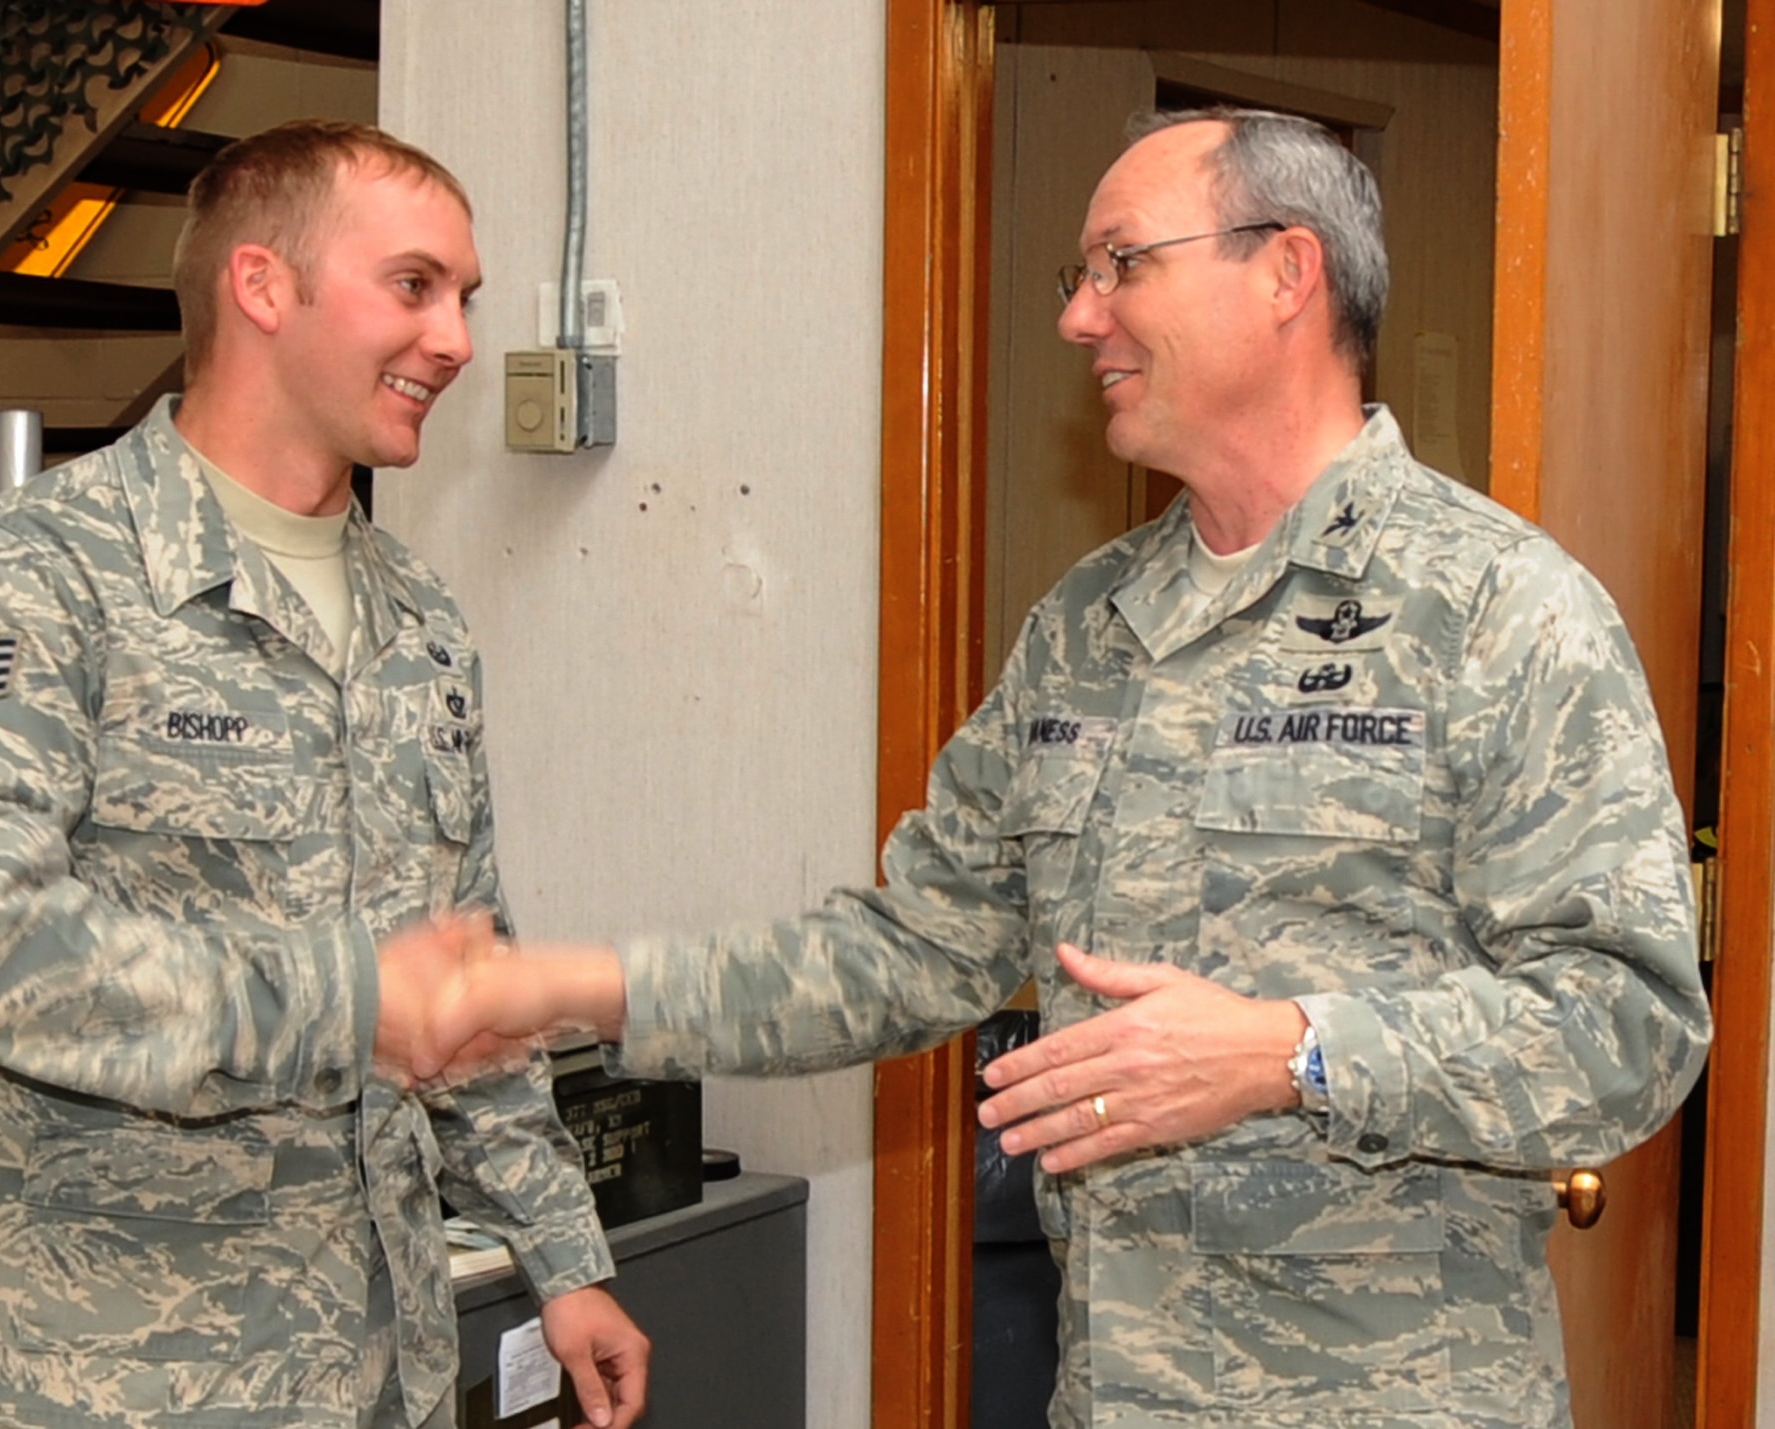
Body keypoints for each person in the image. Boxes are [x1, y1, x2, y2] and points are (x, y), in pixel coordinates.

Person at [422, 108, 1712, 1428]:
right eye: (1075, 278)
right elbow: (906, 949)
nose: (1079, 318)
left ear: (1286, 272)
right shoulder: (1087, 629)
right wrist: (574, 985)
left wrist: (1293, 1053)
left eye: (1121, 264)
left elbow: (1631, 1024)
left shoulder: (1497, 609)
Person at [0, 120, 648, 1429]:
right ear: (262, 285)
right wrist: (351, 998)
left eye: (465, 297)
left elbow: (468, 979)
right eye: (414, 286)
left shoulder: (420, 622)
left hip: (375, 1376)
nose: (455, 339)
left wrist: (563, 1256)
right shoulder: (31, 577)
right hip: (107, 1387)